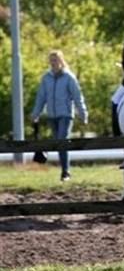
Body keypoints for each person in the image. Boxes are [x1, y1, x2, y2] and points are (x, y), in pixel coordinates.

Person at [30, 50, 89, 181]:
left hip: (66, 115)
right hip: (52, 115)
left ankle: (65, 172)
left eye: (55, 60)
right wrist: (36, 113)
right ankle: (64, 170)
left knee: (62, 140)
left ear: (61, 61)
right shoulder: (46, 78)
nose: (53, 63)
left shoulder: (69, 77)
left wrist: (83, 113)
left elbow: (77, 96)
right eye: (51, 60)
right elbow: (41, 97)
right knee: (58, 142)